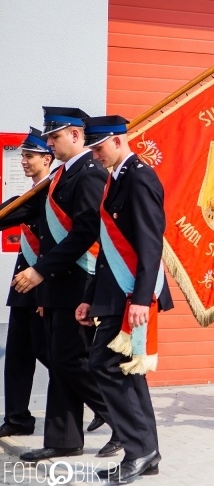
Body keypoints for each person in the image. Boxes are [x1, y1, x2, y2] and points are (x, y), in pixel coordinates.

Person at [4, 107, 118, 461]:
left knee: (71, 361)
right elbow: (24, 209)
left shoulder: (88, 173)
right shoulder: (63, 175)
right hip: (58, 285)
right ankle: (65, 438)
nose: (49, 144)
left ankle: (124, 421)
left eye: (54, 137)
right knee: (60, 359)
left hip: (78, 283)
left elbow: (86, 232)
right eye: (49, 139)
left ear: (76, 135)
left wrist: (40, 272)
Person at [79, 115, 171, 483]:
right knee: (125, 373)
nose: (96, 155)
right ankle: (145, 452)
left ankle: (140, 449)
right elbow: (105, 250)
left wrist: (140, 300)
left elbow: (151, 243)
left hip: (132, 296)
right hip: (116, 293)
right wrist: (89, 298)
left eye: (98, 147)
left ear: (118, 141)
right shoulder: (116, 179)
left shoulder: (139, 177)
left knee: (109, 366)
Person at [0, 128, 53, 438]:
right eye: (21, 155)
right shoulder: (33, 193)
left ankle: (107, 409)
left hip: (43, 288)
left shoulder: (49, 192)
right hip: (23, 287)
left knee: (54, 357)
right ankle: (18, 419)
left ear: (47, 158)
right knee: (18, 357)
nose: (23, 161)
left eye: (29, 156)